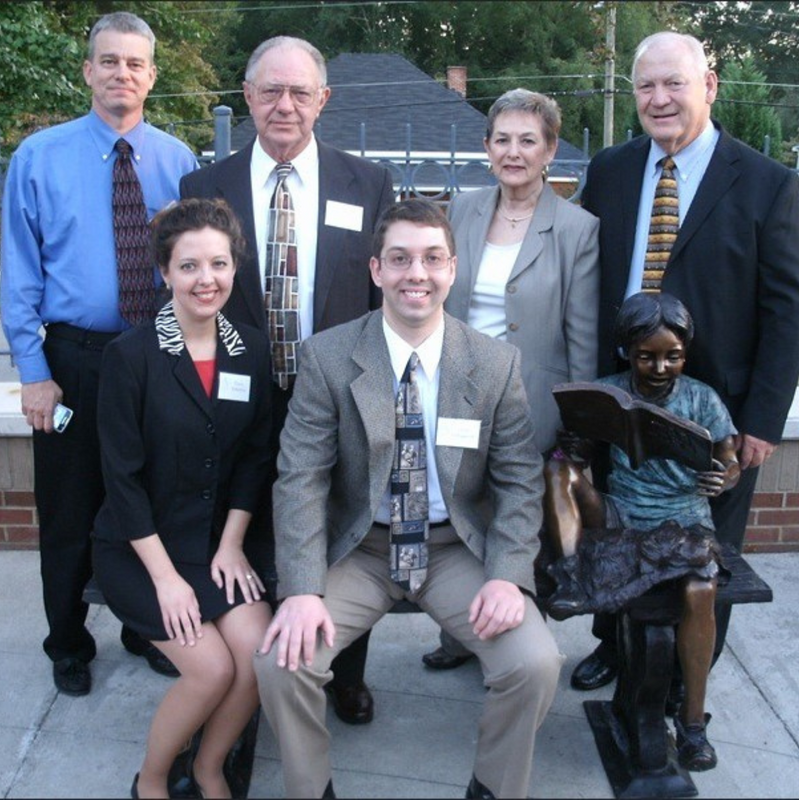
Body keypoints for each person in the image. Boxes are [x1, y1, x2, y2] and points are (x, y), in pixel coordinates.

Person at [254, 199, 563, 800]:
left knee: (534, 663)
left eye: (430, 259)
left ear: (452, 269)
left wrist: (507, 576)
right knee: (282, 663)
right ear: (376, 270)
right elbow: (300, 478)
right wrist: (299, 588)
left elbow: (520, 480)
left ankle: (495, 789)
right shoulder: (328, 355)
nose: (415, 273)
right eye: (399, 259)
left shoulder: (494, 363)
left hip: (454, 549)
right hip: (360, 549)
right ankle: (311, 789)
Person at [570, 30, 799, 696]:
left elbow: (787, 313)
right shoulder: (610, 170)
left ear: (711, 85)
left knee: (705, 559)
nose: (660, 98)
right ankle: (615, 648)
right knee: (613, 535)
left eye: (675, 83)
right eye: (646, 85)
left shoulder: (767, 185)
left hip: (713, 418)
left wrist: (758, 421)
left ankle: (679, 690)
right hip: (619, 400)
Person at [180, 35, 394, 725]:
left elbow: (377, 295)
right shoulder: (203, 187)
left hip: (334, 394)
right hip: (239, 394)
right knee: (240, 527)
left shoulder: (368, 183)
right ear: (247, 97)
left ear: (322, 100)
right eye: (270, 90)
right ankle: (249, 664)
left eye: (300, 92)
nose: (285, 105)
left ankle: (343, 671)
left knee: (340, 529)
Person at [0, 11, 199, 695]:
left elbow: (197, 267)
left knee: (156, 500)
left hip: (155, 355)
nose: (123, 74)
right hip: (74, 361)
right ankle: (67, 641)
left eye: (136, 63)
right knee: (69, 504)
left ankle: (145, 626)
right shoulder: (38, 157)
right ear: (88, 70)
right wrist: (35, 374)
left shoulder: (180, 162)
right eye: (109, 61)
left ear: (151, 74)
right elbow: (18, 274)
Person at [92, 198, 273, 800]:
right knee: (211, 669)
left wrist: (232, 543)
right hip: (139, 546)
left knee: (257, 660)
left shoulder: (249, 348)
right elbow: (121, 480)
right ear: (165, 272)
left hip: (214, 542)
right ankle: (150, 779)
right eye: (189, 266)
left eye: (218, 264)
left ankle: (208, 767)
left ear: (234, 268)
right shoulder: (131, 358)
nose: (207, 280)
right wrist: (167, 580)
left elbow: (254, 456)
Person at [423, 89, 600, 670]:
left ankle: (520, 647)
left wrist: (579, 424)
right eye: (503, 139)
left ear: (550, 150)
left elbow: (581, 334)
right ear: (487, 147)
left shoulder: (577, 228)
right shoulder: (463, 209)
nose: (514, 151)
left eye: (529, 140)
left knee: (524, 525)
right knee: (461, 512)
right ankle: (461, 631)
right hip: (460, 391)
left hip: (533, 402)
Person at [544, 292, 739, 771]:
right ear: (627, 353)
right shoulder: (606, 389)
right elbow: (578, 458)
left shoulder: (701, 398)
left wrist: (725, 474)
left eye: (672, 356)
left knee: (700, 587)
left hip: (683, 518)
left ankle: (692, 724)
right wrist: (573, 450)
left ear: (685, 354)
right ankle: (570, 575)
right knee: (555, 472)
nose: (659, 367)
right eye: (646, 356)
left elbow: (730, 458)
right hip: (621, 511)